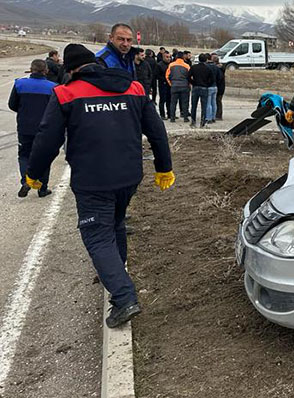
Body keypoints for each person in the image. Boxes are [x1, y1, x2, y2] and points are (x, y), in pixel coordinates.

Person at [23, 44, 175, 328]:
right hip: (129, 176)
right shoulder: (132, 88)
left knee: (96, 235)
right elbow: (156, 130)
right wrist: (164, 167)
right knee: (115, 223)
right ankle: (115, 272)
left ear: (70, 69)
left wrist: (34, 173)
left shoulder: (66, 93)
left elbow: (47, 139)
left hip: (94, 180)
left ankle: (123, 296)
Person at [8, 59, 56, 198]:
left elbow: (12, 105)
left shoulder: (19, 84)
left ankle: (26, 181)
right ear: (46, 70)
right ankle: (42, 188)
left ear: (31, 69)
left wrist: (25, 112)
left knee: (24, 155)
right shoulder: (53, 88)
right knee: (44, 157)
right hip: (45, 129)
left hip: (25, 128)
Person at [188, 53, 215, 128]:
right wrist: (207, 84)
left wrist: (193, 82)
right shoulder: (208, 68)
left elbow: (188, 76)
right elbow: (212, 79)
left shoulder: (194, 67)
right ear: (206, 60)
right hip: (204, 88)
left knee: (194, 106)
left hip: (195, 87)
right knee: (204, 106)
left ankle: (193, 122)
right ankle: (203, 123)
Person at [166, 52, 190, 122]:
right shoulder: (187, 66)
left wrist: (171, 84)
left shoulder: (171, 65)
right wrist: (188, 85)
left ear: (176, 57)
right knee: (185, 103)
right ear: (183, 57)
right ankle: (185, 117)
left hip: (174, 86)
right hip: (184, 86)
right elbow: (190, 77)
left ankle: (172, 118)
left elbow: (167, 76)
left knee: (173, 103)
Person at [205, 54, 222, 124]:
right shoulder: (216, 67)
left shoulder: (206, 67)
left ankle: (208, 118)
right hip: (215, 86)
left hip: (208, 86)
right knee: (214, 102)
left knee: (208, 103)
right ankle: (213, 117)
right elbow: (220, 77)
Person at [156, 51, 172, 120]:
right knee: (162, 100)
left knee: (169, 100)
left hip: (170, 84)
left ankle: (169, 114)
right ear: (163, 57)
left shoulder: (171, 65)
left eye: (169, 57)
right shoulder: (159, 65)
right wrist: (165, 79)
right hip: (163, 84)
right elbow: (157, 75)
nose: (168, 58)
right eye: (167, 57)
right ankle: (162, 114)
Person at [212, 54, 225, 121]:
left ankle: (218, 115)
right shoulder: (221, 67)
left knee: (217, 101)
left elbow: (218, 78)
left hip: (218, 86)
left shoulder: (217, 68)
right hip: (221, 87)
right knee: (218, 101)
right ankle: (217, 114)